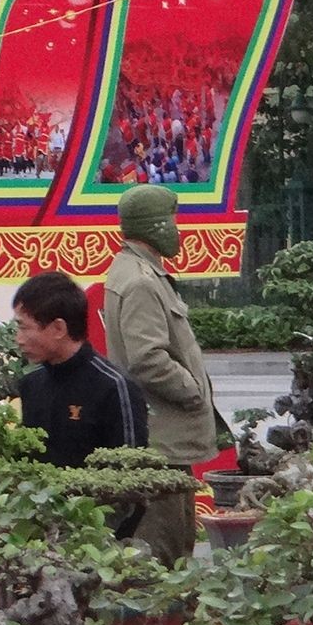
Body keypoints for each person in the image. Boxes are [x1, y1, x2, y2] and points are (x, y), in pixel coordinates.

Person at [101, 183, 217, 564]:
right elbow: (147, 358)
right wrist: (192, 390)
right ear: (155, 225)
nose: (177, 229)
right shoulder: (141, 282)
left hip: (167, 442)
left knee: (175, 546)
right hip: (162, 443)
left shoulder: (136, 272)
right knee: (164, 554)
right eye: (172, 220)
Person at [13, 271, 147, 467]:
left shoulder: (114, 388)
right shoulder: (31, 385)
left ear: (59, 328)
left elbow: (132, 472)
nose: (18, 339)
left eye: (24, 328)